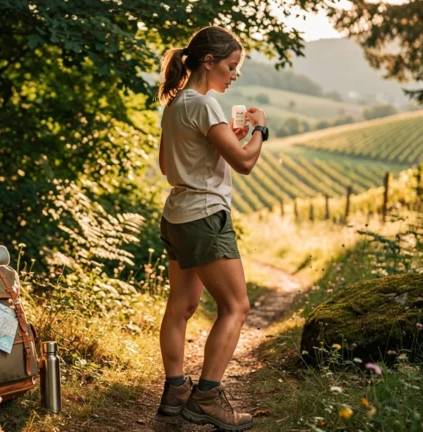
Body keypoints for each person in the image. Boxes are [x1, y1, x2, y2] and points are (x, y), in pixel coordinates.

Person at [155, 26, 268, 431]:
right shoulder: (204, 105)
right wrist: (259, 131)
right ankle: (206, 397)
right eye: (231, 65)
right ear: (209, 61)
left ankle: (175, 393)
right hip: (205, 217)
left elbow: (170, 167)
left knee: (181, 307)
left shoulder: (176, 105)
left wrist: (226, 142)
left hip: (177, 215)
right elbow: (245, 163)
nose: (234, 74)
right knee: (236, 307)